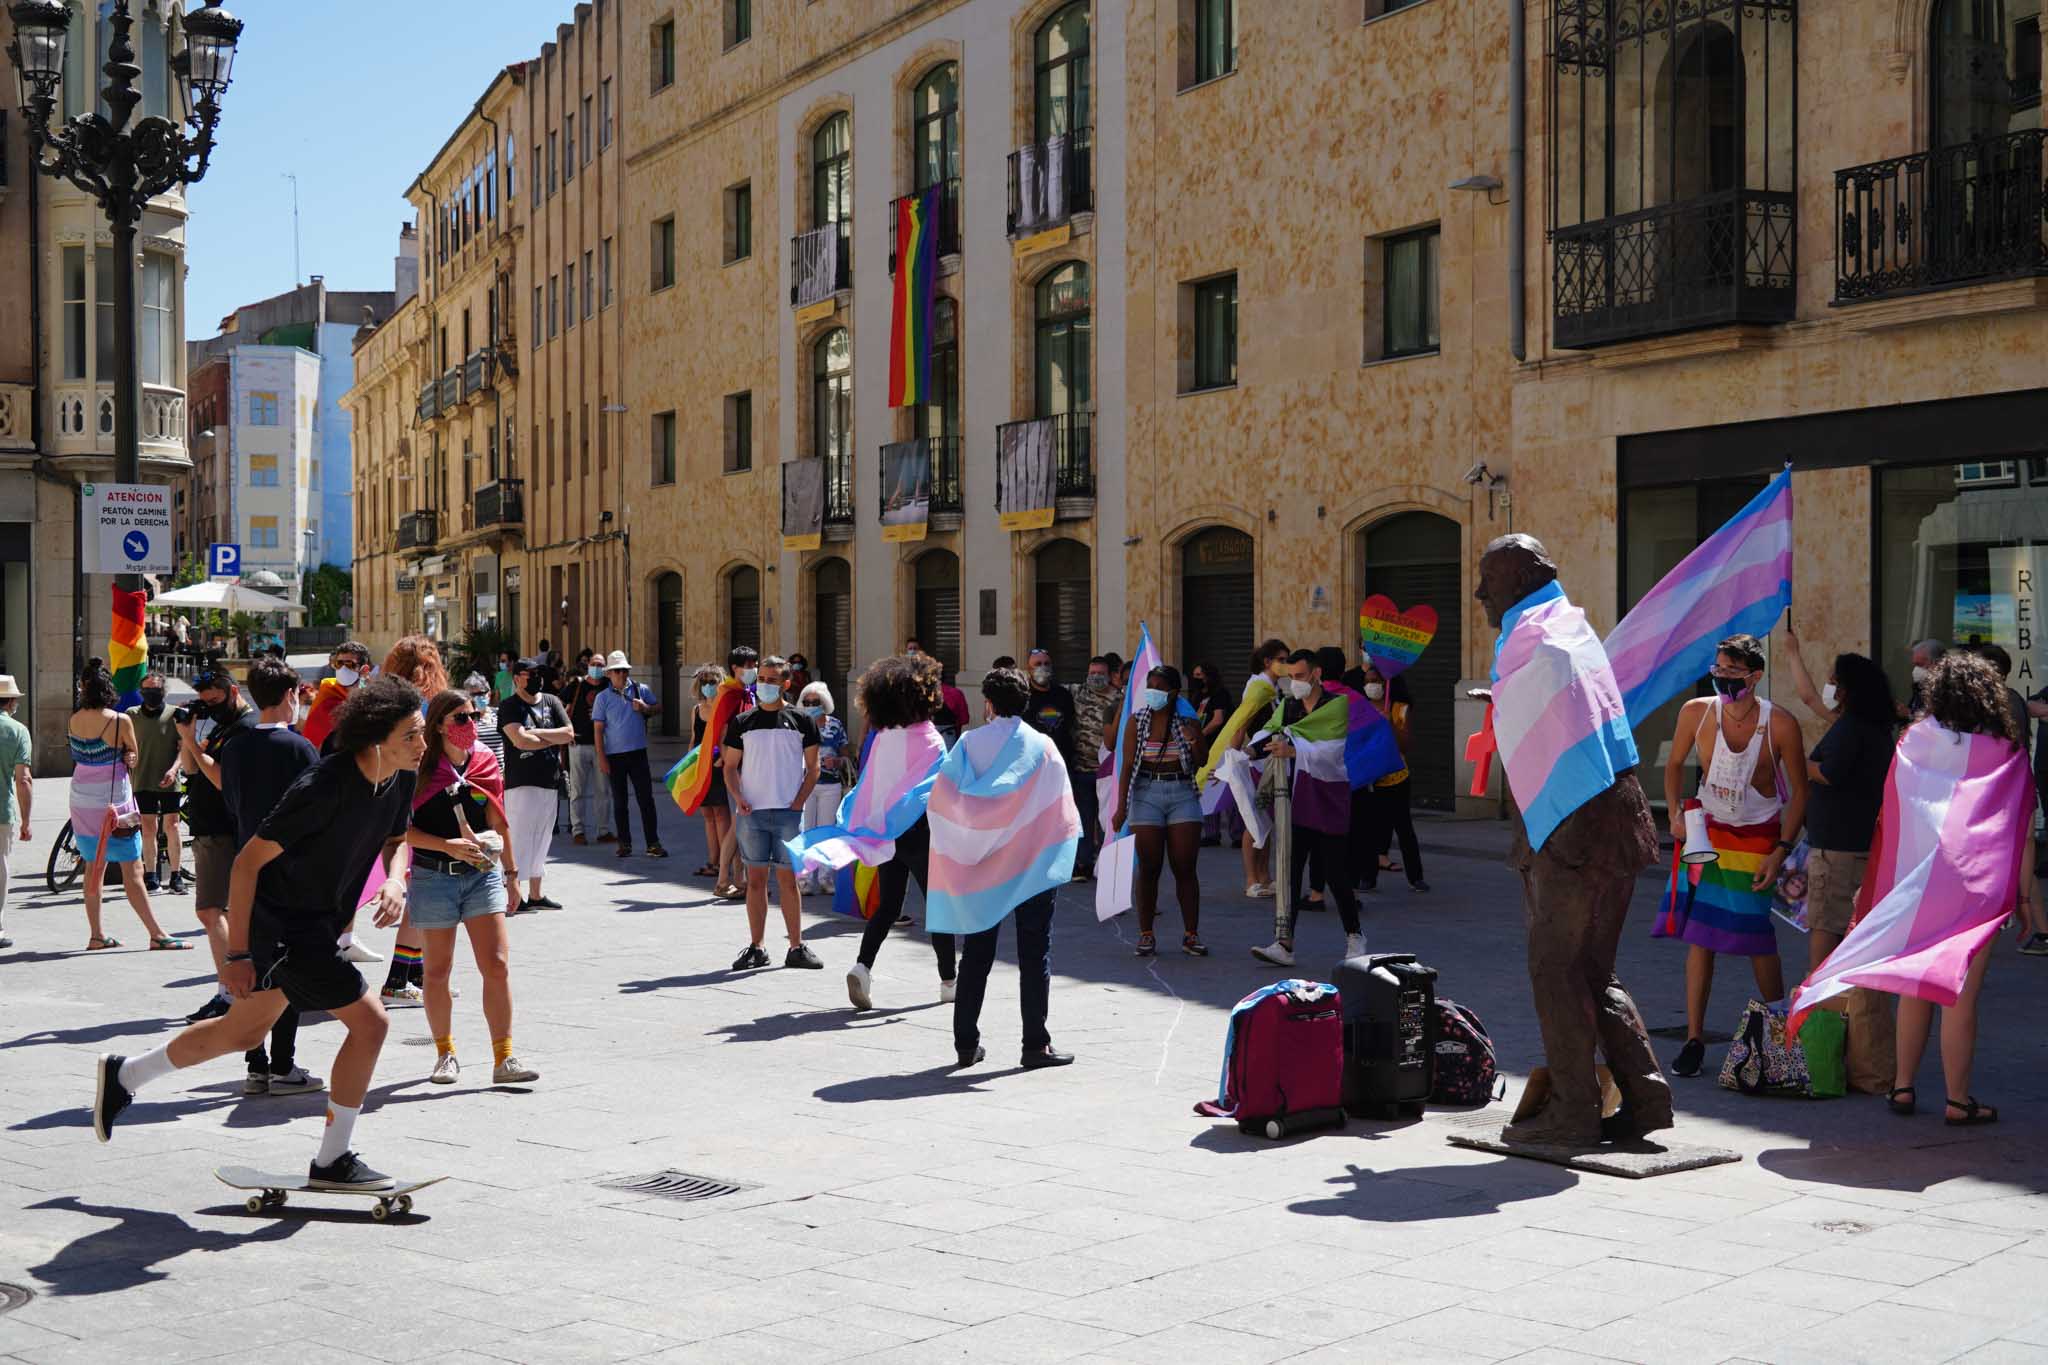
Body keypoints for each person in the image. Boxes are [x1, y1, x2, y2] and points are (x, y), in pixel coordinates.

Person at [93, 677, 428, 1191]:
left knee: (242, 1034)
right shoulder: (324, 786)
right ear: (376, 737)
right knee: (372, 1024)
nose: (421, 745)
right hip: (285, 927)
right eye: (412, 735)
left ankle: (124, 1075)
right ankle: (332, 1162)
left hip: (318, 923)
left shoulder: (399, 774)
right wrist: (239, 953)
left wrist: (397, 880)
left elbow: (398, 840)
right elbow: (247, 865)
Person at [1474, 533, 1670, 1146]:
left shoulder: (1540, 644)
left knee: (1555, 970)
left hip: (1575, 826)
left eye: (1489, 581)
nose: (1480, 594)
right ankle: (1644, 1096)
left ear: (1515, 585)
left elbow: (1542, 698)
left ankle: (1574, 1109)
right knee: (1593, 969)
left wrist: (1506, 700)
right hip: (1621, 811)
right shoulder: (1570, 632)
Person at [1856, 652, 2039, 1125]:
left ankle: (1902, 1088)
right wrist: (2025, 898)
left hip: (1918, 883)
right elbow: (2018, 831)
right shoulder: (2006, 751)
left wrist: (1877, 886)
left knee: (1915, 984)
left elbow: (1889, 815)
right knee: (1960, 993)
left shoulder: (1913, 742)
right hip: (1978, 887)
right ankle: (1958, 1100)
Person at [1658, 632, 1810, 1079]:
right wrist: (1673, 814)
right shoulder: (1697, 712)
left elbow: (1800, 791)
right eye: (1717, 671)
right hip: (1707, 833)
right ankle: (1694, 1038)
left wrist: (1781, 850)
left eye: (1732, 673)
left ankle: (1779, 1031)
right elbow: (1673, 765)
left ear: (1756, 675)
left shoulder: (1779, 724)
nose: (1723, 681)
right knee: (1700, 937)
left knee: (1755, 937)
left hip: (1758, 836)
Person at [927, 667, 1080, 1069]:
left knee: (976, 954)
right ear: (1026, 702)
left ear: (987, 703)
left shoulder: (968, 743)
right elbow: (1062, 808)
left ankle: (965, 1044)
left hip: (983, 866)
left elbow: (942, 800)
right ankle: (1035, 1045)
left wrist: (965, 844)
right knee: (1035, 955)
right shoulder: (1043, 746)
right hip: (1031, 867)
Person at [792, 655, 956, 1009]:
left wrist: (866, 825)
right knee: (938, 905)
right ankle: (948, 980)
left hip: (885, 835)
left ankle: (862, 967)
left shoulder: (883, 738)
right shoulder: (930, 738)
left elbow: (869, 783)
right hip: (923, 834)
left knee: (887, 906)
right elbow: (938, 789)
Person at [407, 689, 537, 1087]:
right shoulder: (420, 768)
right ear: (441, 724)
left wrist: (513, 875)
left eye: (474, 715)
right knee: (437, 970)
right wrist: (447, 845)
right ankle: (445, 1053)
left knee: (496, 966)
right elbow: (401, 831)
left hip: (482, 876)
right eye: (461, 718)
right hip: (433, 877)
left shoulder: (483, 760)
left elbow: (500, 820)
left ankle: (504, 1057)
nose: (471, 724)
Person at [216, 656, 325, 1096]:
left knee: (256, 967)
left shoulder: (235, 746)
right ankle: (283, 1064)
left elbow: (231, 803)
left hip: (246, 868)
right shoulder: (299, 749)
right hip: (291, 872)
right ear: (288, 696)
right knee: (290, 967)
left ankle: (256, 1062)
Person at [1781, 622, 1899, 969]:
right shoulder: (1865, 724)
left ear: (1847, 690)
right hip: (1850, 841)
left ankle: (1823, 1005)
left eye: (1833, 680)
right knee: (1838, 923)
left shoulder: (1852, 729)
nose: (1828, 686)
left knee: (1825, 924)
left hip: (1839, 849)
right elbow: (1809, 698)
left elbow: (1829, 773)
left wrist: (1793, 759)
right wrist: (1791, 653)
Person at [1249, 650, 1366, 967]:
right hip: (1295, 797)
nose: (1294, 683)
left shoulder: (1336, 705)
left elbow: (1331, 751)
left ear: (1315, 674)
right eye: (1290, 677)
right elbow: (1269, 733)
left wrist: (1293, 748)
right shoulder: (1288, 706)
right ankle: (1284, 942)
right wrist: (1244, 753)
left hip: (1327, 794)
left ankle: (1355, 937)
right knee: (1289, 871)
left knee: (1334, 872)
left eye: (1299, 676)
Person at [67, 667, 185, 953]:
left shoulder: (74, 720)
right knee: (133, 870)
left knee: (94, 868)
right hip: (114, 804)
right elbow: (132, 758)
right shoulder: (120, 721)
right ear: (109, 691)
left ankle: (96, 935)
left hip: (82, 800)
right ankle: (156, 934)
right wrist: (127, 755)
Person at [724, 655, 823, 970]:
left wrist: (799, 801)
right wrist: (738, 797)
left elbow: (814, 767)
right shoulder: (743, 722)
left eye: (772, 679)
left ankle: (796, 946)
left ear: (786, 683)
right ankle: (757, 946)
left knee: (788, 880)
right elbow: (728, 766)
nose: (765, 684)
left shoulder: (801, 720)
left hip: (787, 814)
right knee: (754, 881)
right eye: (762, 679)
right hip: (752, 814)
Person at [371, 636, 452, 1005]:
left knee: (421, 884)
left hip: (391, 791)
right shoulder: (429, 703)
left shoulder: (383, 699)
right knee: (424, 888)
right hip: (424, 793)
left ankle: (417, 974)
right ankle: (398, 979)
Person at [175, 668, 259, 1019]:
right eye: (205, 702)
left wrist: (193, 741)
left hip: (224, 831)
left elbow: (223, 780)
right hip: (210, 828)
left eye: (215, 699)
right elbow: (191, 770)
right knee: (220, 912)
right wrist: (188, 738)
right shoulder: (223, 726)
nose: (211, 706)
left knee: (210, 911)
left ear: (232, 690)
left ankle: (230, 993)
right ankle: (233, 990)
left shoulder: (244, 728)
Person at [1110, 664, 1208, 957]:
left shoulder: (1186, 720)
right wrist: (1121, 806)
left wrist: (1196, 736)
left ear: (1174, 692)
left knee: (1185, 866)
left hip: (1181, 792)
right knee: (1149, 867)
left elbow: (1201, 760)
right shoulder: (1137, 721)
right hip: (1146, 794)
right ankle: (1146, 934)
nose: (1151, 692)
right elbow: (1127, 765)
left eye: (1158, 687)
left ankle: (1191, 935)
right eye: (1148, 687)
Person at [498, 658, 573, 915]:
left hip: (549, 780)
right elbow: (519, 741)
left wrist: (537, 735)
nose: (535, 678)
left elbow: (569, 734)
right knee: (519, 837)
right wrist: (549, 737)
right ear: (517, 678)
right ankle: (515, 895)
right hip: (521, 782)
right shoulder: (509, 706)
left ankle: (536, 894)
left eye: (537, 674)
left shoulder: (551, 701)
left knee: (543, 836)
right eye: (529, 674)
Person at [1356, 666, 1429, 894]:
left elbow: (1406, 745)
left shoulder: (1399, 709)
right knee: (1369, 830)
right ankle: (1368, 876)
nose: (1371, 685)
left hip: (1397, 777)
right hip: (1370, 778)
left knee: (1404, 828)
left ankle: (1415, 877)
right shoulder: (1360, 709)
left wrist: (1389, 724)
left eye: (1376, 680)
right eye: (1367, 680)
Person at [593, 650, 666, 858]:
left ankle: (653, 843)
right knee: (620, 801)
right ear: (609, 674)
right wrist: (601, 758)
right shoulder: (602, 698)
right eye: (617, 671)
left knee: (646, 800)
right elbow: (598, 729)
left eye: (624, 671)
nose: (622, 675)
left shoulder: (641, 690)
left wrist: (645, 708)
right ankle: (624, 843)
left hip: (638, 754)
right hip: (614, 756)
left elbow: (658, 707)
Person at [124, 671, 187, 895]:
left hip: (169, 780)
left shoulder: (175, 714)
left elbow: (184, 748)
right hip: (142, 779)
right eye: (148, 689)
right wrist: (128, 756)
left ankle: (176, 875)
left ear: (164, 692)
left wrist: (174, 769)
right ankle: (151, 876)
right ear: (141, 692)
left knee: (173, 825)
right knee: (148, 827)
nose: (152, 693)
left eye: (156, 690)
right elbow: (125, 745)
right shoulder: (131, 715)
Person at [689, 665, 743, 894]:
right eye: (705, 682)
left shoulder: (723, 709)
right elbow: (694, 738)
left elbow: (724, 738)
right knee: (708, 815)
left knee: (722, 815)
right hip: (701, 766)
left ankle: (725, 862)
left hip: (719, 766)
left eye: (712, 682)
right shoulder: (696, 710)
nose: (709, 687)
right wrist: (689, 765)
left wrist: (722, 758)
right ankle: (712, 861)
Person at [794, 681, 851, 896]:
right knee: (806, 831)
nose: (810, 705)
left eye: (815, 702)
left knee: (827, 832)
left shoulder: (835, 725)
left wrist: (836, 762)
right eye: (806, 702)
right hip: (805, 785)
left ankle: (826, 878)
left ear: (824, 702)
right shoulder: (798, 724)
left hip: (830, 785)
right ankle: (805, 879)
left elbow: (845, 754)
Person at [1069, 656, 1118, 881]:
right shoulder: (1077, 693)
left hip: (1108, 772)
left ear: (1109, 675)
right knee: (1084, 819)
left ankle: (1108, 864)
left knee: (1107, 820)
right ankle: (1083, 864)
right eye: (1092, 672)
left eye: (1100, 672)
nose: (1095, 676)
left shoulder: (1119, 698)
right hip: (1082, 768)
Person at [560, 647, 614, 846]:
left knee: (603, 790)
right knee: (577, 791)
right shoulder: (577, 685)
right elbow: (560, 706)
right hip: (579, 744)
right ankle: (578, 831)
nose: (597, 668)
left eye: (600, 665)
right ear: (587, 666)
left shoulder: (610, 686)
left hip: (603, 747)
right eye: (594, 665)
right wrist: (567, 732)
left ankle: (603, 831)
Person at [0, 675, 32, 952]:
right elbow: (23, 780)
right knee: (0, 868)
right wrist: (26, 820)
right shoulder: (18, 731)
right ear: (10, 702)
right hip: (2, 810)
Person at [298, 640, 371, 752]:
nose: (343, 669)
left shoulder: (373, 698)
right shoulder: (327, 694)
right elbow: (313, 742)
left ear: (364, 670)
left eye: (349, 664)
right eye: (339, 664)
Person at [1020, 647, 1078, 773]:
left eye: (1046, 664)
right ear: (1029, 669)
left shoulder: (1063, 694)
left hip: (1061, 765)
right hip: (1032, 767)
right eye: (1038, 664)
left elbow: (1071, 726)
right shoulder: (1022, 697)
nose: (1043, 667)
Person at [463, 673, 505, 765]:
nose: (478, 697)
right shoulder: (467, 719)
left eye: (481, 693)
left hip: (500, 771)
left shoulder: (499, 714)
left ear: (489, 694)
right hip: (479, 771)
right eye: (474, 694)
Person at [1904, 638, 1944, 720]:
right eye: (1915, 665)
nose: (1916, 669)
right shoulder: (1919, 687)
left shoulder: (1948, 691)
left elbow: (1936, 721)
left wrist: (1909, 714)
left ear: (1937, 663)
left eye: (1920, 664)